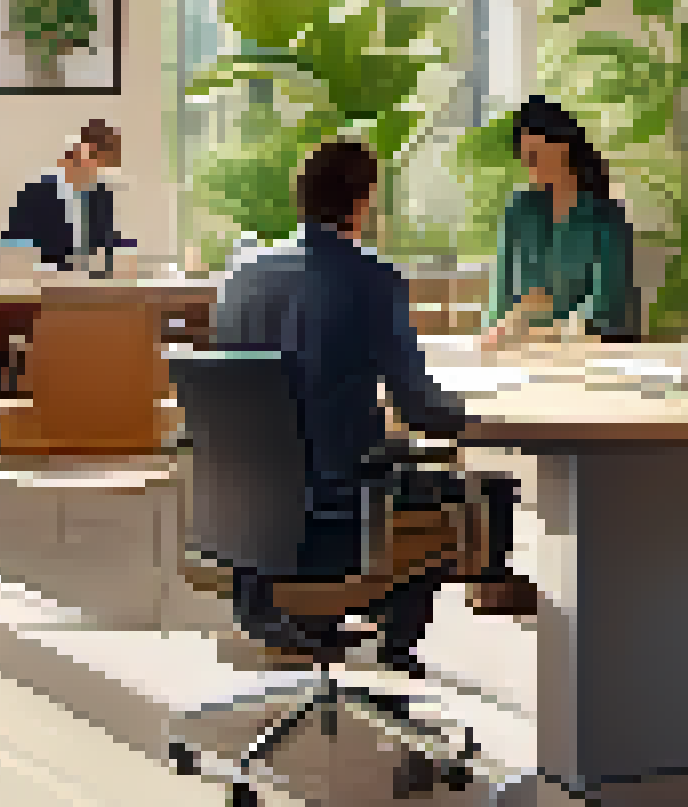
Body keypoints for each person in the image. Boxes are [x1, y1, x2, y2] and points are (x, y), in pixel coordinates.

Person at [213, 140, 535, 675]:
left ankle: (314, 625)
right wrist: (476, 411)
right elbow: (423, 413)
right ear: (363, 202)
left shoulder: (240, 276)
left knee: (396, 476)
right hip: (340, 521)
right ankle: (394, 660)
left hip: (243, 520)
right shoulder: (371, 278)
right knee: (485, 494)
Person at [481, 97, 637, 350]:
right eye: (524, 157)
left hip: (591, 350)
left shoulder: (607, 217)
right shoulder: (518, 210)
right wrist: (498, 328)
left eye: (534, 155)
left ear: (562, 146)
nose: (528, 165)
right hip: (523, 350)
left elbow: (608, 307)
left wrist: (548, 328)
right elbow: (501, 291)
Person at [2, 120, 130, 271]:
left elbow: (106, 243)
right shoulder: (35, 193)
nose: (96, 166)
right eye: (92, 156)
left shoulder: (101, 197)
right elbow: (14, 250)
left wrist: (124, 252)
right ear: (76, 151)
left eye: (104, 162)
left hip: (89, 279)